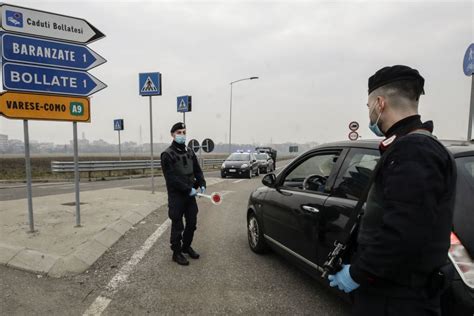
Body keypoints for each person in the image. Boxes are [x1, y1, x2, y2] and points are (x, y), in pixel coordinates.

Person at [328, 65, 457, 315]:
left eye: (368, 107)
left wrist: (357, 273)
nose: (369, 113)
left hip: (398, 299)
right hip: (396, 291)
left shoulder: (414, 151)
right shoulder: (415, 145)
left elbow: (404, 232)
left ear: (380, 103)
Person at [161, 122, 206, 266]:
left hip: (190, 196)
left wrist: (202, 184)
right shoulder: (167, 154)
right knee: (177, 224)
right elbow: (171, 178)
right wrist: (188, 189)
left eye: (184, 132)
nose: (182, 135)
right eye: (179, 132)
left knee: (192, 223)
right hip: (177, 196)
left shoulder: (190, 152)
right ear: (172, 135)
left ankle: (186, 247)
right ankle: (176, 252)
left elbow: (198, 171)